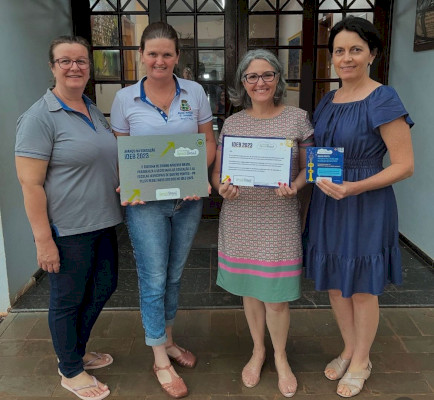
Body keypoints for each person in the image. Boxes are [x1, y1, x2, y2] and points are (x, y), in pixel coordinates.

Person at [304, 16, 414, 398]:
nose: (345, 58)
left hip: (365, 201)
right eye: (339, 51)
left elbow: (404, 165)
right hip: (329, 202)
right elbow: (319, 151)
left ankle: (363, 359)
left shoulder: (384, 97)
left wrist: (354, 187)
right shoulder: (328, 99)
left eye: (355, 49)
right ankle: (349, 349)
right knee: (336, 283)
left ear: (372, 54)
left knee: (364, 288)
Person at [110, 21, 216, 399]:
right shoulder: (125, 99)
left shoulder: (195, 91)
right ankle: (159, 357)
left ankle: (168, 340)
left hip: (187, 201)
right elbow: (122, 152)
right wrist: (129, 183)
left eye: (167, 53)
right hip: (146, 206)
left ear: (177, 57)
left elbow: (207, 139)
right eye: (152, 53)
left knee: (173, 276)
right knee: (153, 279)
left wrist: (199, 177)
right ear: (141, 55)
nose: (159, 60)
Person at [15, 36, 123, 400]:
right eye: (65, 61)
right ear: (52, 67)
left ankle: (74, 351)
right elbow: (30, 185)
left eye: (81, 61)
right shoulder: (39, 117)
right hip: (67, 229)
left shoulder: (91, 108)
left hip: (104, 221)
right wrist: (43, 241)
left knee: (104, 285)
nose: (75, 67)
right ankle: (70, 369)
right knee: (67, 299)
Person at [211, 49, 314, 398]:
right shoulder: (233, 124)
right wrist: (220, 188)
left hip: (279, 218)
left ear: (278, 78)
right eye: (252, 76)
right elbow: (217, 174)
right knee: (251, 293)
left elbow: (309, 168)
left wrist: (296, 187)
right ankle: (258, 350)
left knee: (277, 299)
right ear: (243, 82)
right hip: (240, 217)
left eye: (267, 75)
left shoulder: (298, 118)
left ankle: (281, 357)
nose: (260, 82)